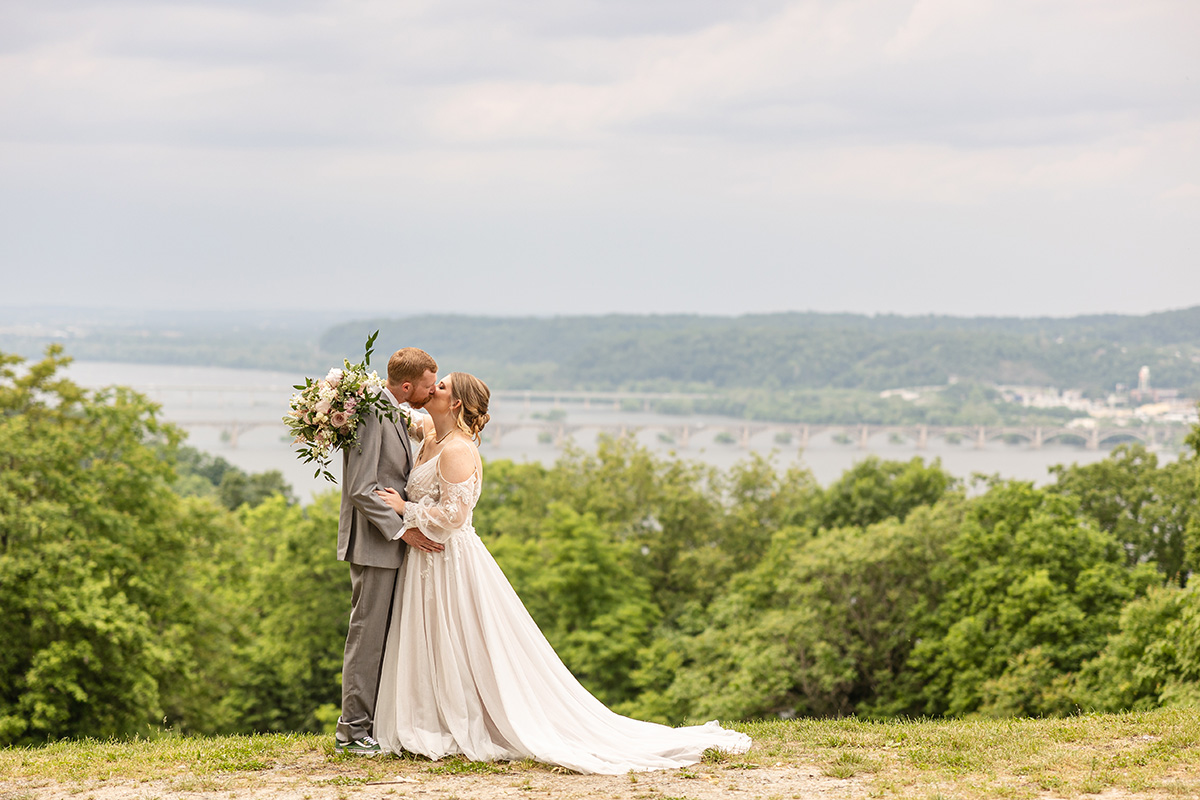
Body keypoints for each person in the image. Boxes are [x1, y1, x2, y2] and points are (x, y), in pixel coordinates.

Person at [371, 372, 751, 773]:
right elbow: (397, 409)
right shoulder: (431, 431)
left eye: (442, 387)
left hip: (449, 560)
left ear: (457, 404)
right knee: (432, 638)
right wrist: (353, 396)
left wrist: (404, 510)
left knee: (461, 639)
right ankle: (431, 714)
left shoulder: (456, 451)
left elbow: (455, 515)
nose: (434, 389)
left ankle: (465, 719)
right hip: (426, 560)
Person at [334, 347, 445, 756]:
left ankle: (376, 724)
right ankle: (351, 732)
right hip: (375, 544)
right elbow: (360, 489)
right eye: (428, 385)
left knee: (386, 636)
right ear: (406, 386)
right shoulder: (368, 413)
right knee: (367, 637)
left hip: (389, 543)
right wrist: (403, 531)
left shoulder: (390, 408)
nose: (431, 391)